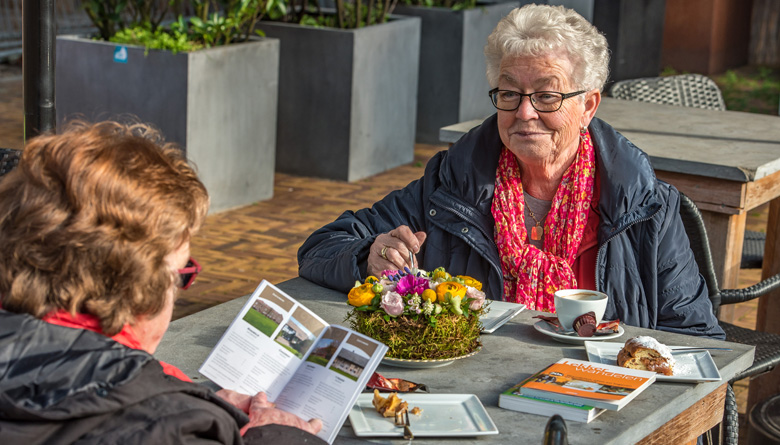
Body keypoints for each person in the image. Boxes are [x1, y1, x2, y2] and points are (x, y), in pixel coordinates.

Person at [298, 4, 725, 339]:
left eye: (546, 95)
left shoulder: (646, 207)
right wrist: (368, 255)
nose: (524, 112)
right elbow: (320, 247)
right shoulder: (454, 184)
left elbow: (696, 337)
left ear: (588, 106)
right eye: (509, 92)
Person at [0, 121, 325, 443]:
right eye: (182, 272)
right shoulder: (173, 429)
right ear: (140, 290)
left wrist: (198, 407)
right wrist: (277, 436)